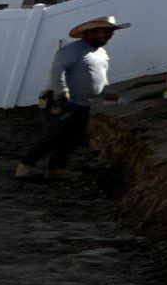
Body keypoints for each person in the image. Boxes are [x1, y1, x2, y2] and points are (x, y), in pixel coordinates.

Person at [16, 16, 127, 178]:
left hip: (82, 104)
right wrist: (61, 92)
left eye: (111, 32)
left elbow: (99, 78)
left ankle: (55, 169)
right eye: (106, 31)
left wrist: (105, 93)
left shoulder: (101, 54)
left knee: (71, 139)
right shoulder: (71, 50)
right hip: (61, 101)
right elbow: (57, 70)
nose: (110, 35)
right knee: (54, 134)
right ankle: (25, 166)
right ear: (90, 32)